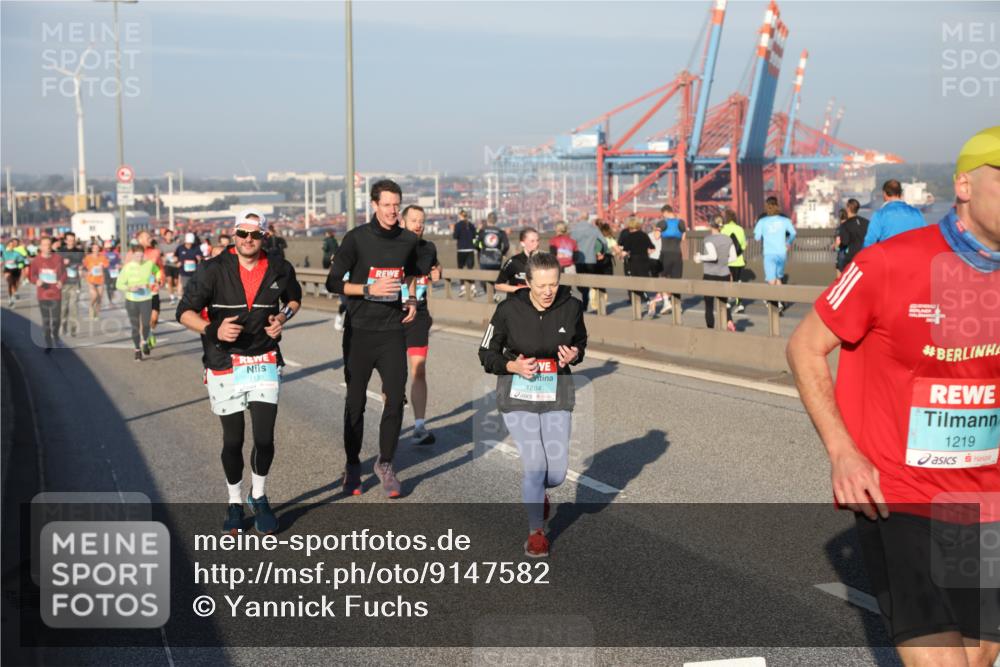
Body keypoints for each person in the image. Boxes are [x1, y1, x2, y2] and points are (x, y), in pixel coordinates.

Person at [786, 126, 1000, 667]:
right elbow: (805, 347)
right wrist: (842, 452)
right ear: (966, 186)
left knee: (979, 656)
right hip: (899, 493)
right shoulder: (889, 263)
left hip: (984, 499)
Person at [176, 209, 302, 535]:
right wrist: (212, 329)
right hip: (224, 362)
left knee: (264, 438)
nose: (248, 240)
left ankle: (257, 496)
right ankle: (234, 501)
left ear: (264, 236)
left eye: (255, 234)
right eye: (242, 234)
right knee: (233, 440)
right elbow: (184, 312)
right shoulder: (213, 269)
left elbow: (294, 300)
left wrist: (282, 318)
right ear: (234, 235)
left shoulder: (279, 267)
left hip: (263, 359)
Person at [478, 252, 588, 558]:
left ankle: (539, 494)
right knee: (535, 464)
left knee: (556, 473)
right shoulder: (507, 310)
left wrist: (573, 355)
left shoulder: (572, 306)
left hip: (557, 394)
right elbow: (486, 352)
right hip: (517, 394)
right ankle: (536, 532)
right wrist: (512, 366)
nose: (548, 291)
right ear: (528, 283)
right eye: (541, 285)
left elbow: (581, 342)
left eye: (553, 284)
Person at [326, 179, 427, 498]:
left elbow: (410, 274)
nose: (393, 210)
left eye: (397, 205)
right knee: (355, 403)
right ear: (373, 205)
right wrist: (366, 290)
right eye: (386, 205)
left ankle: (385, 463)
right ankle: (353, 464)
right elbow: (332, 282)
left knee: (396, 398)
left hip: (392, 330)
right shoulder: (356, 239)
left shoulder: (408, 240)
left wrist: (411, 298)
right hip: (359, 332)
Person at [401, 205, 441, 446]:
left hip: (419, 314)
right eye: (414, 220)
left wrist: (438, 271)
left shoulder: (428, 248)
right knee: (393, 375)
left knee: (419, 369)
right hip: (391, 314)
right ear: (403, 222)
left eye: (422, 221)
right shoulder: (391, 247)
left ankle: (419, 426)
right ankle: (392, 416)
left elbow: (433, 267)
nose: (418, 224)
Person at [116, 240, 159, 361]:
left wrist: (157, 281)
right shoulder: (127, 267)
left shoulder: (149, 264)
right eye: (137, 255)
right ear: (132, 255)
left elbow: (157, 271)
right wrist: (129, 288)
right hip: (131, 300)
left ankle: (145, 341)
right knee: (135, 327)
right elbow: (119, 284)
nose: (139, 258)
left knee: (146, 324)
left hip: (146, 298)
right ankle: (137, 350)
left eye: (141, 255)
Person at [693, 215, 737, 332]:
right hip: (725, 275)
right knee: (723, 302)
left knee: (709, 305)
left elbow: (712, 256)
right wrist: (723, 262)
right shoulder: (728, 239)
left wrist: (699, 257)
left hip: (710, 275)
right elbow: (733, 257)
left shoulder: (708, 239)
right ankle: (729, 321)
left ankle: (710, 330)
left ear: (710, 225)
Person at [753, 197, 796, 314]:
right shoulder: (784, 220)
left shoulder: (762, 221)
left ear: (767, 207)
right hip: (781, 253)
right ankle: (780, 301)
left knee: (771, 281)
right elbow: (793, 233)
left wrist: (760, 232)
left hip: (769, 253)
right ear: (777, 206)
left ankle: (773, 302)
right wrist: (788, 243)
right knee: (778, 279)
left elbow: (756, 238)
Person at [27, 236, 65, 352]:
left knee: (57, 318)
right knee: (46, 319)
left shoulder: (58, 258)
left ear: (51, 245)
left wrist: (61, 281)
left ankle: (56, 335)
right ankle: (48, 341)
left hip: (56, 293)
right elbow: (31, 275)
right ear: (40, 247)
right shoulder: (36, 261)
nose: (47, 247)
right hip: (43, 294)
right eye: (44, 245)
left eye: (49, 244)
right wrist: (36, 281)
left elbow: (64, 273)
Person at [863, 179, 925, 248]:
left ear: (884, 194)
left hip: (888, 256)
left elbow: (869, 242)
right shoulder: (916, 213)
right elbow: (925, 237)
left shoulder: (880, 215)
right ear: (900, 194)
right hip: (913, 256)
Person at [618, 217, 654, 308]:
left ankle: (637, 299)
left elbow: (625, 251)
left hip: (633, 261)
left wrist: (620, 255)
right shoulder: (644, 235)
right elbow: (651, 247)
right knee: (643, 280)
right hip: (644, 260)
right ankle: (645, 298)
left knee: (633, 281)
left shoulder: (629, 236)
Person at [570, 215, 602, 311]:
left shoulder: (574, 230)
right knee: (590, 281)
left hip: (579, 260)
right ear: (588, 218)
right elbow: (603, 242)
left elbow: (571, 244)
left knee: (581, 282)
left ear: (580, 218)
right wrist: (601, 252)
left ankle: (585, 300)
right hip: (591, 259)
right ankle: (590, 295)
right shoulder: (594, 229)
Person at [659, 205, 686, 315]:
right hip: (677, 254)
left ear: (665, 212)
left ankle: (666, 303)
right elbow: (683, 238)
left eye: (662, 214)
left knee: (662, 278)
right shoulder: (681, 222)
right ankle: (678, 306)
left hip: (665, 253)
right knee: (677, 280)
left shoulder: (662, 223)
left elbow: (656, 236)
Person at [496, 228, 540, 294]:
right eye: (532, 241)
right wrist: (522, 289)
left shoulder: (543, 261)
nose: (536, 244)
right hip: (517, 301)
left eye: (538, 240)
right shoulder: (513, 261)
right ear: (522, 243)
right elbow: (498, 285)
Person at [720, 208, 747, 314]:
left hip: (726, 260)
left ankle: (726, 301)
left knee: (725, 280)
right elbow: (744, 245)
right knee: (737, 281)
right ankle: (739, 304)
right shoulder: (740, 229)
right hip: (738, 260)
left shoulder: (723, 229)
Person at [58, 231, 85, 337]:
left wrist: (80, 266)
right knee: (64, 306)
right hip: (63, 282)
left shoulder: (79, 251)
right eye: (68, 240)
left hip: (75, 282)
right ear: (65, 240)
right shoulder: (60, 251)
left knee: (73, 306)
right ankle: (63, 325)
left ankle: (73, 327)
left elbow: (82, 263)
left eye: (72, 240)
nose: (71, 242)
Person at [475, 212, 509, 298]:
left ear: (487, 220)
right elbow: (506, 245)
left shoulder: (482, 231)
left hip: (484, 257)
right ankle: (493, 293)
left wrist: (481, 250)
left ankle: (488, 293)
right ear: (496, 220)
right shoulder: (501, 232)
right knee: (495, 276)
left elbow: (476, 244)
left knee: (484, 276)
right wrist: (502, 253)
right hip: (496, 258)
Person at [835, 198, 869, 278]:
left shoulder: (845, 225)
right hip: (865, 257)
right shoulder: (866, 222)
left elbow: (845, 243)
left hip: (851, 259)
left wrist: (838, 245)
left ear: (848, 208)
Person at [452, 209, 477, 296]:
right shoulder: (471, 225)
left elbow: (455, 236)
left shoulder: (458, 225)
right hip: (470, 249)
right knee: (470, 270)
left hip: (461, 250)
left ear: (460, 216)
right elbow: (474, 235)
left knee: (461, 269)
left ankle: (463, 288)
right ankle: (473, 287)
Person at [82, 242, 109, 319]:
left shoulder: (102, 257)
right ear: (92, 249)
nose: (96, 250)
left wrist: (103, 265)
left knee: (100, 298)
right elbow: (84, 267)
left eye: (97, 248)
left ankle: (96, 314)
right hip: (91, 279)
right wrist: (87, 272)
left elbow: (107, 265)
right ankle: (91, 306)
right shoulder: (88, 258)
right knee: (94, 295)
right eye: (94, 248)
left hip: (100, 279)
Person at [646, 220, 665, 318]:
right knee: (656, 284)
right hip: (656, 260)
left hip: (656, 261)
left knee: (657, 283)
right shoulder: (651, 236)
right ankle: (653, 305)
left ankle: (655, 303)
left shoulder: (651, 236)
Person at [159, 229, 181, 303]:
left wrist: (177, 259)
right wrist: (163, 258)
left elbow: (180, 254)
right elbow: (160, 255)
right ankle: (172, 297)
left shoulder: (176, 245)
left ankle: (177, 294)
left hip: (175, 265)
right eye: (167, 235)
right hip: (167, 265)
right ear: (165, 236)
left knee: (176, 282)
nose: (169, 236)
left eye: (170, 235)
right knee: (169, 281)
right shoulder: (161, 245)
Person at [4, 238, 27, 307]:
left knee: (15, 283)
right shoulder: (4, 252)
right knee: (10, 283)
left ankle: (15, 292)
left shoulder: (17, 253)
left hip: (16, 269)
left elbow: (22, 260)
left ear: (14, 246)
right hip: (7, 269)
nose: (10, 246)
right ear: (7, 245)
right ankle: (11, 299)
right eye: (9, 245)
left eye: (12, 245)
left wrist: (20, 264)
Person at [103, 239, 122, 306]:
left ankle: (113, 290)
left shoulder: (115, 252)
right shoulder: (103, 253)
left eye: (109, 247)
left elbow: (119, 260)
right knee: (108, 286)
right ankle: (110, 301)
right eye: (107, 248)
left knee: (115, 285)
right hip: (106, 270)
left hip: (114, 270)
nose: (108, 249)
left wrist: (119, 264)